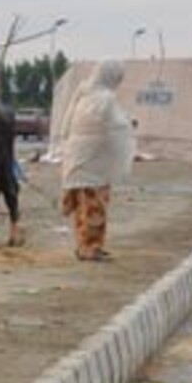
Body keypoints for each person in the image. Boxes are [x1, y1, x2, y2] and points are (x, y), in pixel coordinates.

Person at [59, 60, 136, 262]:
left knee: (82, 206)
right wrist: (129, 123)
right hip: (94, 162)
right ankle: (90, 248)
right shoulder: (104, 98)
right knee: (94, 207)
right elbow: (114, 125)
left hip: (79, 158)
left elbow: (68, 126)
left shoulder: (83, 94)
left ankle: (84, 245)